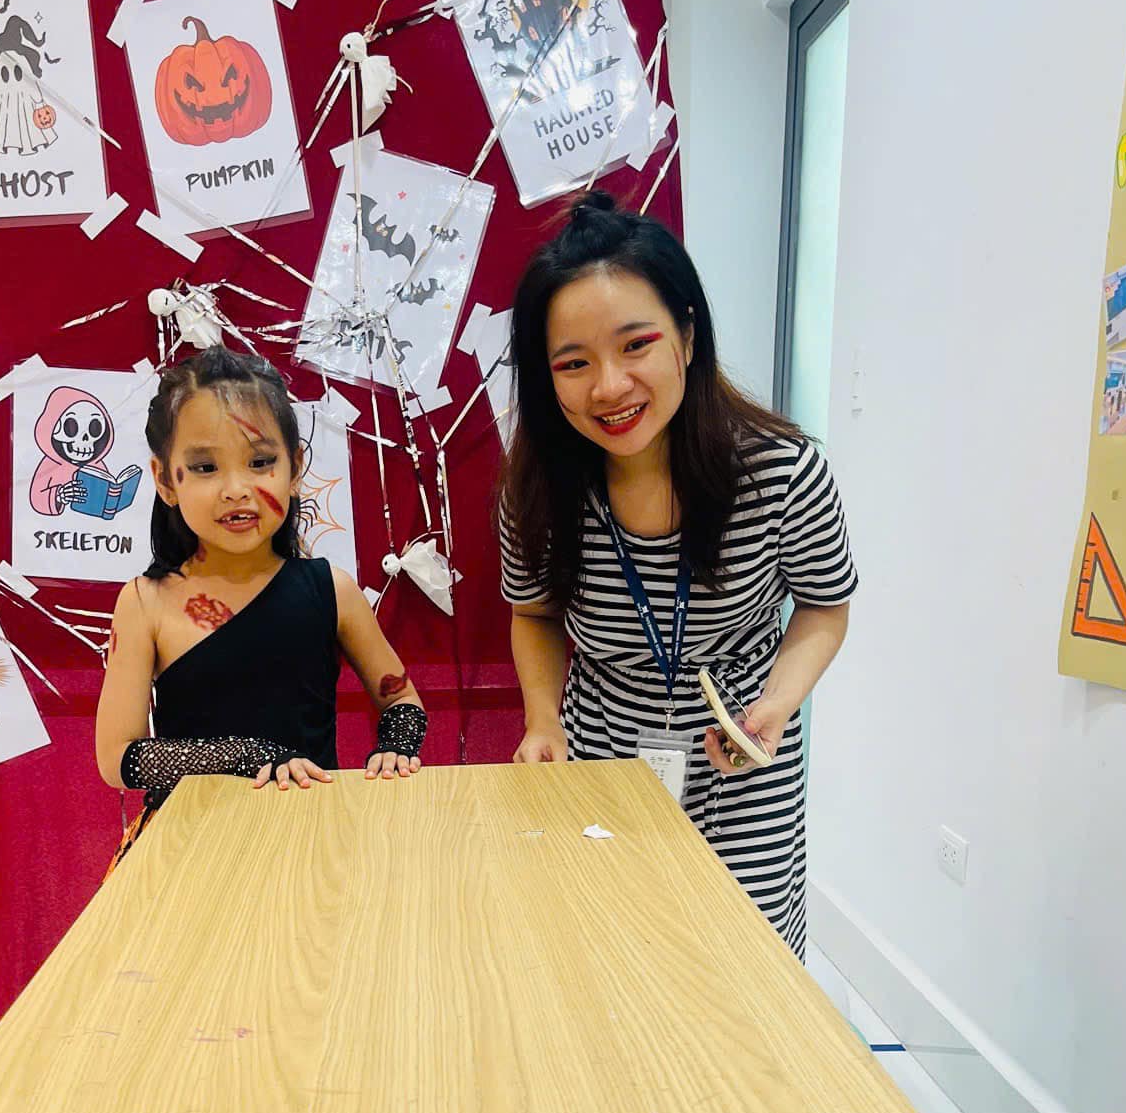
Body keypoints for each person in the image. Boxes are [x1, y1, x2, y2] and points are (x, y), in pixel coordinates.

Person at [498, 191, 856, 956]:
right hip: (602, 754)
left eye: (636, 345)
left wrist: (775, 706)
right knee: (612, 955)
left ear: (687, 338)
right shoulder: (537, 487)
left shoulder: (782, 473)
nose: (609, 387)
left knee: (745, 962)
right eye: (574, 363)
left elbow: (825, 608)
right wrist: (542, 722)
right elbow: (533, 614)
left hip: (741, 760)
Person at [95, 346, 427, 829]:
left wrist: (397, 746)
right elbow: (117, 759)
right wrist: (245, 756)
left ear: (295, 468)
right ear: (165, 480)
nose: (236, 489)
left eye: (260, 461)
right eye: (206, 467)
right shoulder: (145, 601)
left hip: (313, 837)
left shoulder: (331, 590)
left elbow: (400, 698)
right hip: (188, 844)